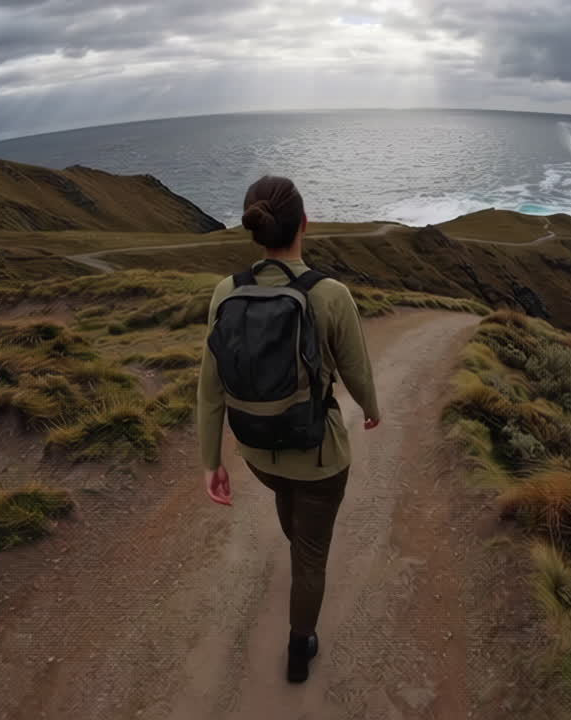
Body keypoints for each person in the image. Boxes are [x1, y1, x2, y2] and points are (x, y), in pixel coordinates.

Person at [196, 175, 380, 684]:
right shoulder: (331, 294)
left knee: (287, 501)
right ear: (304, 223)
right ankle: (301, 648)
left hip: (259, 453)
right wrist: (371, 407)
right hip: (319, 457)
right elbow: (357, 369)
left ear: (255, 230)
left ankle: (298, 543)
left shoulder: (225, 292)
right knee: (312, 559)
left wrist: (211, 461)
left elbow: (209, 389)